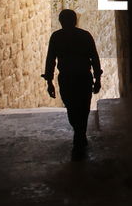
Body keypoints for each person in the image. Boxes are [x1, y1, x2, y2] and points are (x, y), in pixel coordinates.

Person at [42, 9, 102, 160]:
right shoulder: (85, 36)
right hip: (83, 77)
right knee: (83, 106)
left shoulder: (56, 37)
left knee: (71, 106)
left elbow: (51, 60)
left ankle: (79, 133)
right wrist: (97, 79)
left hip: (67, 78)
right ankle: (80, 133)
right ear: (75, 20)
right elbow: (94, 58)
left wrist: (49, 82)